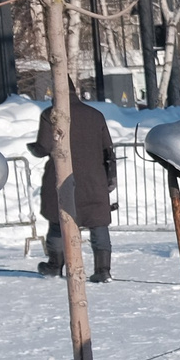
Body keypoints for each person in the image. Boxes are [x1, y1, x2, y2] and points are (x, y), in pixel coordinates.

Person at [29, 93, 114, 282]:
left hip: (62, 176)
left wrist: (33, 148)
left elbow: (44, 146)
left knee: (58, 220)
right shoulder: (95, 114)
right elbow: (108, 148)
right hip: (94, 178)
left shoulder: (51, 114)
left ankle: (54, 265)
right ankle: (103, 270)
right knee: (98, 222)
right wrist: (110, 177)